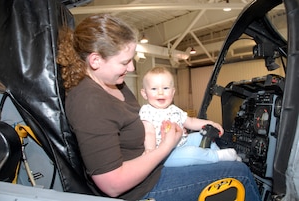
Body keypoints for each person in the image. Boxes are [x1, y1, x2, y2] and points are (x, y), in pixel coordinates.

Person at [56, 14, 261, 201]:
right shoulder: (88, 103)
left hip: (154, 167)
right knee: (239, 173)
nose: (132, 69)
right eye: (125, 62)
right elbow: (112, 185)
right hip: (142, 189)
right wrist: (166, 146)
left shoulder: (113, 83)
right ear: (95, 61)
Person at [139, 66, 241, 167]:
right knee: (191, 153)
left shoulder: (174, 109)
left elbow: (191, 122)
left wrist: (210, 123)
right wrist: (150, 150)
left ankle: (225, 159)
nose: (160, 92)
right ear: (144, 94)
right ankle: (216, 156)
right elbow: (149, 132)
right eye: (154, 89)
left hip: (182, 142)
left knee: (202, 136)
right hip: (165, 154)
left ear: (173, 92)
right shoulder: (147, 111)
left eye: (165, 88)